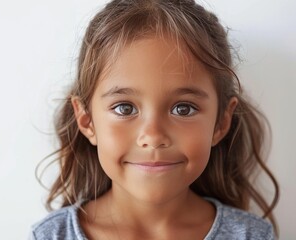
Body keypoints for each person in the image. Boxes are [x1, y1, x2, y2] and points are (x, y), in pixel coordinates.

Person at [30, 0, 279, 239]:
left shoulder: (251, 236)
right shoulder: (50, 236)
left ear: (221, 122)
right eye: (124, 108)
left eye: (183, 109)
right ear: (86, 120)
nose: (153, 136)